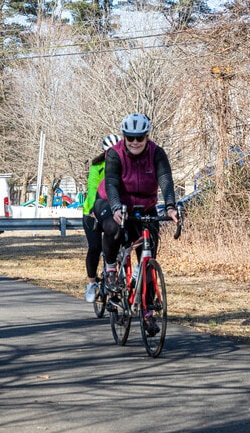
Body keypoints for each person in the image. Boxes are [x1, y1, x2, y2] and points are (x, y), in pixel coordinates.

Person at [94, 113, 178, 332]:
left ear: (147, 137)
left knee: (147, 259)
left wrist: (170, 207)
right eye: (130, 138)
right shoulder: (115, 154)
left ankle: (148, 312)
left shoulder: (157, 153)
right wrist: (114, 208)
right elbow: (111, 183)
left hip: (145, 208)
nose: (134, 142)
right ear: (124, 137)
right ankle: (111, 268)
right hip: (111, 202)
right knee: (112, 228)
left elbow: (166, 180)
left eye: (139, 138)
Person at [83, 133, 121, 303]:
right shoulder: (97, 166)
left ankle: (116, 280)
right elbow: (92, 187)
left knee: (117, 244)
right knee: (95, 247)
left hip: (114, 210)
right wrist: (92, 207)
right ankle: (91, 283)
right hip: (93, 211)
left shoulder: (124, 163)